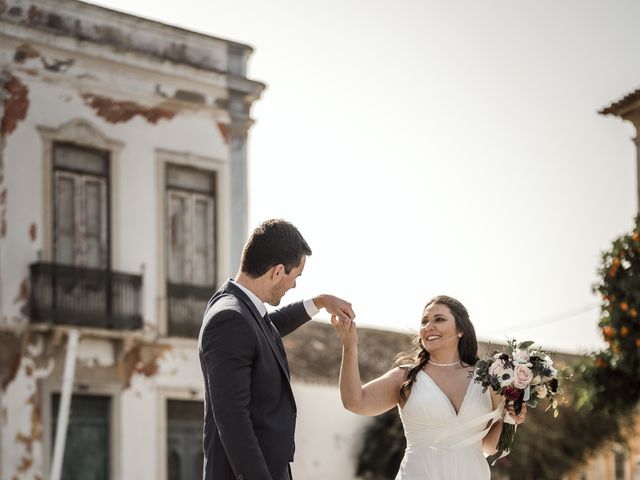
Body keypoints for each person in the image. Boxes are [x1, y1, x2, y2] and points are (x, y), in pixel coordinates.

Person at [198, 219, 355, 480]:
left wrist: (320, 302)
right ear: (278, 271)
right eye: (296, 277)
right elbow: (232, 419)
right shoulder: (230, 319)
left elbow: (269, 326)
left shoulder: (238, 309)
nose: (294, 285)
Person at [331, 295, 526, 480]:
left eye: (439, 319)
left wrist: (511, 420)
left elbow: (490, 446)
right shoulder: (406, 376)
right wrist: (349, 346)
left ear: (461, 329)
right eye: (424, 322)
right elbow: (354, 402)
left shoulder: (487, 379)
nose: (429, 327)